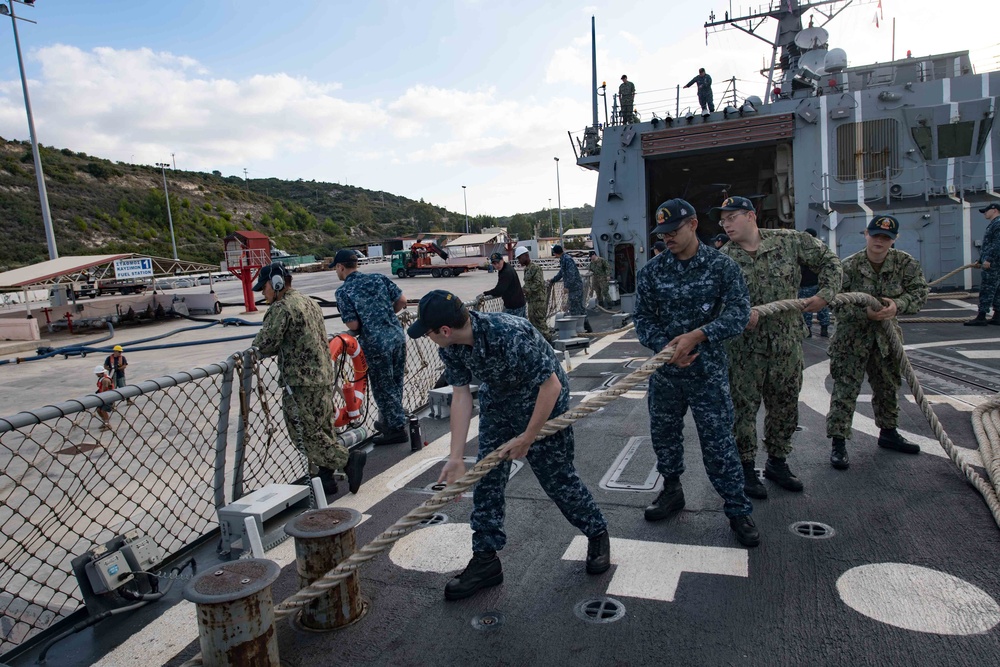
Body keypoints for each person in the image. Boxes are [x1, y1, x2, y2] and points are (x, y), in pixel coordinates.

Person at [408, 290, 611, 600]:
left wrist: (528, 437)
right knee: (487, 478)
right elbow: (461, 396)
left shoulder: (508, 333)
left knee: (557, 479)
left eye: (428, 332)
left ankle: (597, 531)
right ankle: (486, 560)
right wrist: (455, 456)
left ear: (445, 331)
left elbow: (552, 385)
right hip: (500, 403)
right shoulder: (451, 349)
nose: (428, 337)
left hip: (543, 402)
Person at [633, 198, 759, 547]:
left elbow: (738, 314)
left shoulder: (722, 267)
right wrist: (666, 349)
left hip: (708, 373)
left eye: (673, 231)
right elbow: (642, 318)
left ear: (692, 225)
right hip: (666, 375)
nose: (667, 238)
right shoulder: (652, 272)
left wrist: (698, 336)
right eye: (663, 233)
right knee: (665, 437)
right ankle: (672, 491)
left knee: (719, 444)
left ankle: (737, 509)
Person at [715, 196, 842, 499]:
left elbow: (830, 261)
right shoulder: (720, 259)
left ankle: (777, 461)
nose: (726, 224)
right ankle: (746, 469)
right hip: (743, 350)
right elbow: (709, 303)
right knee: (742, 410)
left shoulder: (790, 242)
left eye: (731, 217)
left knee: (784, 404)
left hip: (786, 344)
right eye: (723, 220)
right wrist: (734, 315)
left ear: (750, 216)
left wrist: (826, 294)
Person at [252, 262, 366, 494]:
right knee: (323, 429)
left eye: (264, 287)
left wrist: (251, 352)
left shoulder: (281, 308)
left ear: (276, 283)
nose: (263, 293)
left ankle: (346, 460)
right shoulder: (309, 302)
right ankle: (326, 480)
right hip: (323, 376)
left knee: (304, 432)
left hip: (301, 382)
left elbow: (265, 344)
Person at [826, 215, 929, 469]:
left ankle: (889, 432)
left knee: (888, 386)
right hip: (851, 340)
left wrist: (898, 305)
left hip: (885, 340)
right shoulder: (848, 267)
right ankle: (838, 443)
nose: (879, 241)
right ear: (866, 235)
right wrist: (864, 313)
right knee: (845, 390)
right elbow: (835, 302)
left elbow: (919, 292)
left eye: (886, 238)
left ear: (894, 240)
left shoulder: (905, 264)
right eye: (876, 236)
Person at [332, 248, 409, 446]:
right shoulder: (377, 278)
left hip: (375, 342)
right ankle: (392, 420)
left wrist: (370, 323)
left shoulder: (343, 291)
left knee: (383, 387)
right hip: (396, 335)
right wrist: (385, 316)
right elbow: (402, 301)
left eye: (336, 269)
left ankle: (396, 429)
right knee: (396, 382)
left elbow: (354, 325)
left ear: (341, 267)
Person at [965, 203, 1000, 326]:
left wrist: (988, 260)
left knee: (987, 288)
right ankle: (998, 316)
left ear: (994, 210)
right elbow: (990, 246)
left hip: (994, 264)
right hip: (995, 262)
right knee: (997, 290)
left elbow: (997, 245)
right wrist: (980, 260)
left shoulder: (998, 224)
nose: (984, 213)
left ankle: (981, 316)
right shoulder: (995, 224)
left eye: (986, 211)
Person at [516, 246, 555, 342]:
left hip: (538, 300)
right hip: (531, 301)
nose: (519, 261)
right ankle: (541, 343)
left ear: (526, 256)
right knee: (534, 323)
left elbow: (538, 283)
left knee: (540, 322)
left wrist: (526, 290)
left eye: (520, 258)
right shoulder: (527, 269)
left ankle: (549, 342)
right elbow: (528, 284)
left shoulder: (536, 268)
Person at [799, 228, 832, 337]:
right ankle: (824, 329)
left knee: (806, 308)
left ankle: (808, 330)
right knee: (822, 307)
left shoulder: (801, 249)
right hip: (819, 284)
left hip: (805, 284)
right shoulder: (821, 249)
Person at [549, 245, 590, 331]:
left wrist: (567, 287)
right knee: (579, 308)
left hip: (575, 288)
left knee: (575, 308)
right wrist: (553, 280)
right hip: (574, 288)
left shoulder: (567, 259)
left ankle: (578, 329)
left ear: (555, 253)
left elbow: (571, 275)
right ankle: (585, 327)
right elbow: (562, 272)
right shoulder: (564, 259)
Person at [481, 251, 526, 317]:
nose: (496, 265)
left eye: (498, 262)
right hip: (518, 304)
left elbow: (499, 290)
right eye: (494, 263)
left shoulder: (506, 272)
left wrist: (485, 293)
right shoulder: (506, 268)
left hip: (514, 307)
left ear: (502, 260)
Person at [93, 365, 114, 431]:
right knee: (98, 410)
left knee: (103, 410)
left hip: (108, 397)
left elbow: (104, 389)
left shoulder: (105, 380)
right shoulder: (102, 378)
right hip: (102, 397)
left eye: (97, 373)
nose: (96, 374)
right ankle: (104, 422)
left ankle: (108, 425)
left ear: (100, 373)